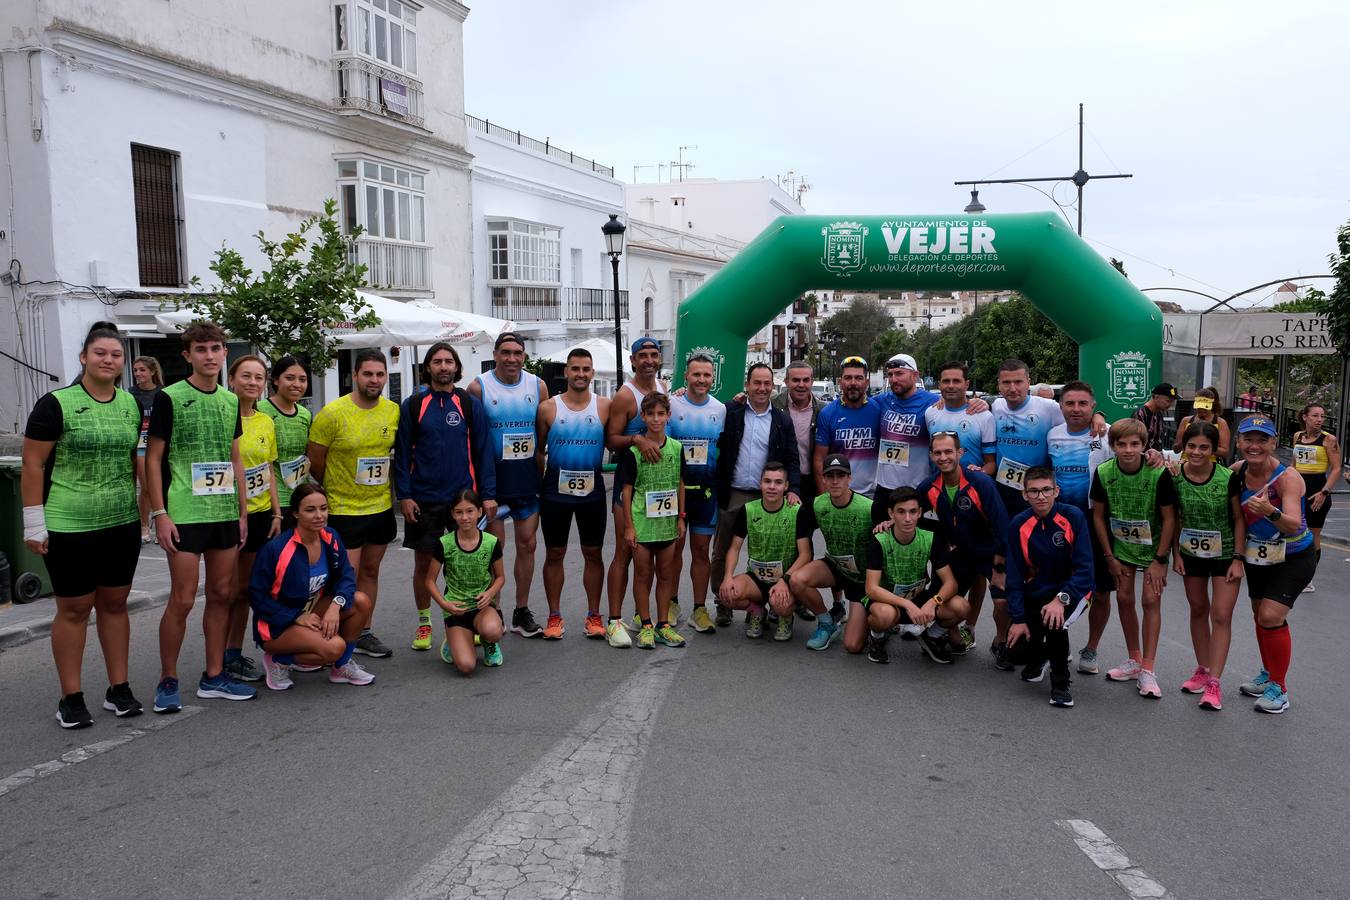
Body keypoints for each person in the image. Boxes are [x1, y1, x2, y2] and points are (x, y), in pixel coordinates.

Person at [22, 322, 145, 727]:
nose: (108, 360)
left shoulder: (130, 404)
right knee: (74, 609)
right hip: (69, 523)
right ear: (83, 358)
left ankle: (119, 688)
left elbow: (134, 461)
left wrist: (145, 515)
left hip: (120, 522)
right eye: (100, 353)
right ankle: (70, 697)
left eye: (115, 355)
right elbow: (33, 464)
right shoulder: (56, 403)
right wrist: (34, 523)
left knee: (114, 604)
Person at [145, 320, 255, 710]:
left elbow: (235, 457)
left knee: (223, 594)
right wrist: (159, 513)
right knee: (184, 598)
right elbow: (153, 458)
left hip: (224, 511)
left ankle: (213, 676)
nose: (210, 356)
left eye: (216, 349)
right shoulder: (169, 397)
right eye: (202, 350)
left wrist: (243, 511)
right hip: (185, 512)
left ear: (225, 352)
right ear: (188, 355)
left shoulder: (230, 400)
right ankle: (167, 679)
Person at [394, 343, 496, 650]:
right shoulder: (413, 404)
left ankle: (473, 618)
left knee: (473, 563)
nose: (443, 367)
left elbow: (483, 451)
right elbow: (401, 455)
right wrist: (405, 496)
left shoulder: (468, 403)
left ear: (456, 367)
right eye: (437, 362)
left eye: (448, 361)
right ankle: (425, 622)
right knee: (424, 564)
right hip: (423, 499)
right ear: (427, 368)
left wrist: (487, 495)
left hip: (463, 499)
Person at [308, 348, 400, 659]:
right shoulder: (332, 413)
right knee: (344, 577)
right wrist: (336, 486)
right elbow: (315, 461)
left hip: (380, 506)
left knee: (370, 573)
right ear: (354, 376)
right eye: (368, 373)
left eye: (379, 374)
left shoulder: (392, 411)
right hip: (344, 509)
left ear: (386, 377)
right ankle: (329, 637)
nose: (374, 379)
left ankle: (363, 632)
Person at [249, 483, 375, 691]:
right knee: (335, 647)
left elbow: (346, 576)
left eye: (323, 508)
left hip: (312, 613)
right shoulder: (276, 549)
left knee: (361, 601)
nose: (319, 515)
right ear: (296, 513)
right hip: (277, 625)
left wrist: (336, 605)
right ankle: (278, 660)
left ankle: (341, 666)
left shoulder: (331, 536)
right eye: (310, 510)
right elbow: (256, 595)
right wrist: (295, 616)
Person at [1233, 414, 1316, 714]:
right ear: (1239, 442)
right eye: (1248, 439)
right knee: (1260, 616)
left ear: (1273, 442)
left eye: (1262, 440)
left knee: (1270, 616)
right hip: (1259, 556)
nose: (1254, 446)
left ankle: (1280, 689)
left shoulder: (1288, 477)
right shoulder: (1237, 471)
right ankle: (1269, 673)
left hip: (1294, 556)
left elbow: (1293, 524)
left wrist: (1270, 511)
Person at [468, 331, 549, 638]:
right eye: (506, 352)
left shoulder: (537, 385)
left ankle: (521, 611)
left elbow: (541, 437)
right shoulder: (479, 386)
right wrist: (480, 489)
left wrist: (543, 479)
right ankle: (494, 610)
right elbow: (473, 439)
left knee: (528, 545)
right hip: (494, 486)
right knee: (495, 549)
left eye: (517, 353)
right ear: (496, 354)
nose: (512, 358)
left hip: (527, 482)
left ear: (524, 356)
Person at [1091, 418, 1178, 699]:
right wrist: (1109, 555)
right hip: (1122, 546)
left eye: (1134, 444)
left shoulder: (1158, 473)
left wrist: (1160, 560)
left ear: (1144, 446)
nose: (1128, 450)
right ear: (1113, 446)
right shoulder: (1104, 472)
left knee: (1151, 600)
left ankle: (1148, 670)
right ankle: (1134, 659)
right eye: (1122, 444)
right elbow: (1098, 516)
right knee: (1124, 598)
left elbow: (1169, 517)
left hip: (1154, 547)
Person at [710, 362, 800, 628]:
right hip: (735, 492)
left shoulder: (782, 419)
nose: (762, 388)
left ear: (773, 386)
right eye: (756, 383)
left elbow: (792, 458)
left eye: (767, 384)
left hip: (769, 497)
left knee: (777, 552)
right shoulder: (731, 411)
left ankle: (776, 602)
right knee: (722, 550)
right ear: (747, 385)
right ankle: (723, 601)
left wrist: (793, 489)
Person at [1169, 422, 1245, 711]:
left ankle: (1214, 682)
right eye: (1192, 446)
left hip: (1225, 553)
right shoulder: (1174, 476)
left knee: (1221, 615)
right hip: (1190, 553)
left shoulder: (1227, 478)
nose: (1197, 452)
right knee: (1198, 610)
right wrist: (1175, 555)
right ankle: (1202, 669)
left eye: (1204, 447)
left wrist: (1238, 558)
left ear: (1214, 451)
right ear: (1184, 448)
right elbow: (1174, 518)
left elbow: (1239, 519)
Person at [1005, 467, 1095, 708]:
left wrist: (1062, 598)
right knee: (1013, 652)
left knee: (1055, 621)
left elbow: (1086, 570)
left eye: (1046, 490)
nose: (1041, 496)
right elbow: (1013, 576)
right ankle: (1041, 657)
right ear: (1025, 495)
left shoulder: (1073, 517)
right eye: (1033, 491)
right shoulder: (1018, 524)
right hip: (1039, 591)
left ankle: (1061, 683)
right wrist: (1018, 618)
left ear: (1056, 491)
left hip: (1074, 591)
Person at [536, 348, 610, 639]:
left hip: (592, 495)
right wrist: (538, 486)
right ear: (565, 372)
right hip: (555, 493)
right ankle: (554, 616)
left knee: (593, 554)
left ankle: (594, 615)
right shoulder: (548, 408)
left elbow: (622, 434)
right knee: (555, 554)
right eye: (575, 368)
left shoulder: (605, 406)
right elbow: (537, 452)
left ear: (593, 373)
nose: (581, 374)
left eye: (586, 369)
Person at [1046, 381, 1116, 676]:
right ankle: (1055, 644)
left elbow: (1137, 455)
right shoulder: (1053, 434)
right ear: (1061, 406)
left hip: (1095, 519)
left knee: (1100, 591)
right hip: (1061, 519)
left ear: (1093, 406)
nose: (1076, 409)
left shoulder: (1109, 433)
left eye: (1082, 404)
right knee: (1054, 585)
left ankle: (1091, 648)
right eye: (1070, 404)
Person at [922, 431, 1008, 659]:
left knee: (1002, 599)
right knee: (945, 602)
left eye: (948, 451)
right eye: (938, 453)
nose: (943, 457)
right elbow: (910, 511)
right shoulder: (928, 485)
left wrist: (999, 568)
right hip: (960, 552)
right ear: (931, 456)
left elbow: (1002, 526)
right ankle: (940, 632)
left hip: (989, 552)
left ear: (960, 453)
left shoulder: (981, 483)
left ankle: (1001, 641)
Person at [716, 462, 822, 643]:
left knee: (780, 604)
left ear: (786, 486)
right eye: (767, 481)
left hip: (785, 579)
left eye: (778, 482)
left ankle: (786, 617)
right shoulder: (749, 510)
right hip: (756, 578)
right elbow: (734, 548)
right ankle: (757, 611)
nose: (772, 487)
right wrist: (727, 577)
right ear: (760, 484)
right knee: (727, 595)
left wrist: (785, 580)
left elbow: (805, 554)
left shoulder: (797, 512)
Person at [224, 355, 282, 685]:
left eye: (258, 378)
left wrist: (276, 512)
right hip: (229, 515)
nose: (252, 382)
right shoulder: (222, 416)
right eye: (245, 376)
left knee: (247, 590)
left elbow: (268, 470)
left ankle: (234, 653)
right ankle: (220, 657)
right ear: (231, 378)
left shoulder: (265, 421)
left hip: (261, 514)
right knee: (227, 591)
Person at [614, 392, 688, 650]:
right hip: (643, 525)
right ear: (643, 417)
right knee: (642, 574)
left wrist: (681, 518)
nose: (656, 419)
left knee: (666, 575)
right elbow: (626, 491)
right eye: (651, 414)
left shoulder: (677, 448)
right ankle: (645, 624)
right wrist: (629, 527)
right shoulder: (634, 452)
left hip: (667, 523)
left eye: (661, 414)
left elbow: (680, 483)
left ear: (668, 416)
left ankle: (663, 625)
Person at [862, 486, 968, 666]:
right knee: (883, 616)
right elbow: (871, 589)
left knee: (961, 607)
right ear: (891, 513)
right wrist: (907, 604)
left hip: (917, 597)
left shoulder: (929, 538)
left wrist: (932, 602)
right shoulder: (879, 539)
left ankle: (931, 637)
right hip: (888, 601)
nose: (908, 518)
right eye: (901, 512)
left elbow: (951, 583)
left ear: (920, 512)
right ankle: (877, 638)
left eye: (912, 511)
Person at [604, 337, 666, 640]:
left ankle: (645, 618)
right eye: (643, 356)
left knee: (650, 554)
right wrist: (637, 440)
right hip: (628, 485)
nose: (649, 360)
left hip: (657, 488)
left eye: (654, 355)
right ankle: (614, 619)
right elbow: (611, 439)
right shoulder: (625, 396)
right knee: (624, 552)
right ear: (633, 361)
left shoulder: (663, 388)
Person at [789, 453, 872, 653]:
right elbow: (802, 537)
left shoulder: (868, 508)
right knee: (797, 580)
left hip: (864, 578)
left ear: (849, 478)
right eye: (830, 476)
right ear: (823, 479)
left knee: (852, 645)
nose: (835, 481)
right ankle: (827, 622)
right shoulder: (818, 504)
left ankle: (874, 624)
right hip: (836, 566)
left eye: (841, 475)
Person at [667, 354, 726, 633]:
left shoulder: (720, 409)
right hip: (675, 490)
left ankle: (700, 609)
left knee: (701, 550)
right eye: (696, 374)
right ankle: (671, 601)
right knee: (674, 549)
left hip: (705, 492)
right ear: (686, 377)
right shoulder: (671, 404)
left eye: (706, 375)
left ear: (713, 378)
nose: (701, 380)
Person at [424, 489, 507, 674]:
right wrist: (444, 603)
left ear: (479, 512)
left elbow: (500, 577)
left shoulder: (491, 542)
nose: (465, 517)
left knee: (493, 631)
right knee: (466, 666)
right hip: (457, 610)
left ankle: (488, 643)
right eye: (459, 512)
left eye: (470, 511)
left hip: (482, 608)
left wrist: (490, 593)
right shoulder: (445, 543)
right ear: (453, 514)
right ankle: (454, 640)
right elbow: (429, 580)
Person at [990, 359, 1064, 517]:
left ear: (1028, 382)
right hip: (1002, 486)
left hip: (1036, 490)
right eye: (1006, 383)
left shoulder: (1049, 407)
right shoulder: (996, 405)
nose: (1012, 388)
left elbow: (1078, 420)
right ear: (999, 385)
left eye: (1018, 382)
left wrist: (1098, 417)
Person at [814, 356, 881, 501]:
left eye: (858, 378)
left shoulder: (879, 409)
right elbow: (819, 459)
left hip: (872, 495)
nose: (853, 383)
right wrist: (823, 498)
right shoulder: (828, 413)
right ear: (840, 382)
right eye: (848, 378)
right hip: (839, 495)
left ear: (866, 382)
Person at [258, 355, 312, 531]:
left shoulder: (305, 414)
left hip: (300, 499)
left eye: (302, 379)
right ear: (275, 380)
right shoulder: (260, 411)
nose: (297, 384)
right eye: (289, 378)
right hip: (270, 501)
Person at [1292, 402, 1341, 592]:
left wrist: (1325, 491)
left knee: (1312, 536)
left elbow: (1337, 468)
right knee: (1294, 531)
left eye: (1322, 416)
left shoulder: (1329, 440)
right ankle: (1294, 571)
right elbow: (1294, 465)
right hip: (1298, 489)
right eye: (1315, 415)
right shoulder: (1297, 436)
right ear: (1305, 417)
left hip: (1318, 490)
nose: (1319, 419)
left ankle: (1308, 579)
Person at [924, 361, 995, 476]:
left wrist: (978, 475)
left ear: (966, 384)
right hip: (938, 488)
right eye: (946, 381)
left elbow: (991, 463)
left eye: (956, 381)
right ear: (939, 385)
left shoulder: (984, 416)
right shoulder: (930, 413)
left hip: (972, 488)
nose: (951, 386)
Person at [773, 360, 824, 501]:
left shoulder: (823, 410)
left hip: (813, 480)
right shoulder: (773, 406)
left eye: (806, 380)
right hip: (781, 480)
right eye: (796, 380)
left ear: (812, 382)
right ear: (786, 382)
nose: (801, 385)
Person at [129, 356, 164, 543]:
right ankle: (144, 525)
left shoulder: (162, 393)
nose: (138, 374)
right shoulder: (130, 394)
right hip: (139, 443)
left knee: (161, 484)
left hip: (158, 441)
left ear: (152, 372)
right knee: (146, 487)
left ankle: (161, 521)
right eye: (135, 370)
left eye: (142, 370)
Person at [1172, 387, 1231, 464]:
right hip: (1186, 462)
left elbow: (1225, 452)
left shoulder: (1220, 423)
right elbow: (1176, 449)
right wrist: (1184, 442)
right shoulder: (1186, 421)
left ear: (1212, 405)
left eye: (1205, 407)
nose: (1201, 410)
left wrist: (1205, 447)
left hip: (1210, 465)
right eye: (1199, 407)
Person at [1132, 382, 1176, 454]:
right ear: (1156, 397)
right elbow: (1135, 442)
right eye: (1168, 401)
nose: (1170, 404)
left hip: (1155, 459)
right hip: (1143, 459)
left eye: (1172, 402)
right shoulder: (1140, 414)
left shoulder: (1159, 413)